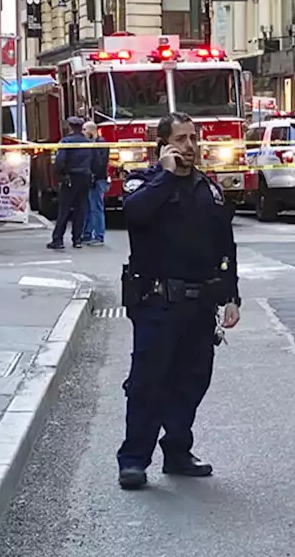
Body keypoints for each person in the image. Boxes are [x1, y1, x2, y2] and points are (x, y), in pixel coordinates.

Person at [116, 111, 241, 490]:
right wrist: (168, 175)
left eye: (193, 138)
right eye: (182, 139)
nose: (191, 146)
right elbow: (135, 214)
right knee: (147, 383)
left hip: (199, 305)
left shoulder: (209, 189)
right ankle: (134, 461)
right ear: (164, 146)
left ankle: (177, 452)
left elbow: (226, 246)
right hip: (157, 302)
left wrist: (232, 295)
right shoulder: (144, 182)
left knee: (191, 381)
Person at [47, 116, 94, 250]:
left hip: (70, 178)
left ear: (70, 127)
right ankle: (77, 239)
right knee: (81, 209)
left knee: (64, 210)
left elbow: (60, 161)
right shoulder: (88, 142)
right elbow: (95, 161)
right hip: (85, 177)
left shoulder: (66, 141)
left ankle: (58, 240)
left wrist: (60, 174)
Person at [82, 121, 109, 246]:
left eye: (84, 129)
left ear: (92, 131)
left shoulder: (101, 144)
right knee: (89, 207)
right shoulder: (92, 143)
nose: (82, 132)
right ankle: (87, 233)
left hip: (98, 180)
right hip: (93, 179)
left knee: (96, 208)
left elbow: (100, 163)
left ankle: (99, 236)